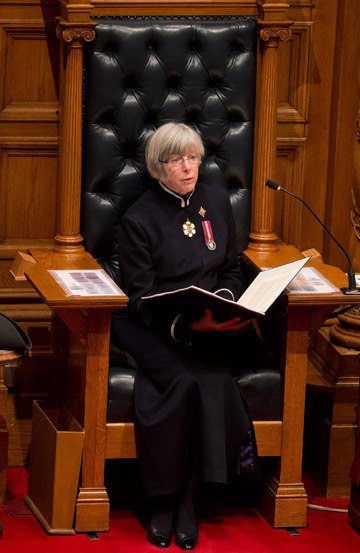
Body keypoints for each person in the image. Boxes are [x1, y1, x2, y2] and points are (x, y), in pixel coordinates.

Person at [112, 122, 269, 550]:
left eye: (194, 157)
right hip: (155, 326)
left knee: (211, 379)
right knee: (183, 384)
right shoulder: (139, 218)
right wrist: (187, 325)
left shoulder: (216, 202)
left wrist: (225, 301)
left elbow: (232, 268)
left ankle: (187, 500)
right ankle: (166, 501)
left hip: (213, 323)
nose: (188, 167)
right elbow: (139, 297)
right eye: (177, 159)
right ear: (157, 166)